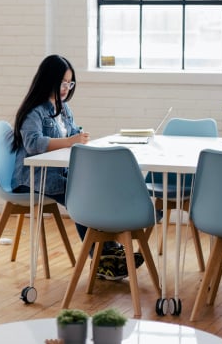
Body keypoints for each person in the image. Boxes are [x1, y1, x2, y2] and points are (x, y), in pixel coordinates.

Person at [11, 54, 142, 280]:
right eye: (62, 82)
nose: (66, 88)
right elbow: (33, 144)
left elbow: (70, 135)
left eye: (70, 83)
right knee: (82, 195)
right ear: (47, 79)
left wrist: (78, 137)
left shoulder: (64, 109)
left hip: (58, 173)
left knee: (95, 188)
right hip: (32, 179)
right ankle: (102, 258)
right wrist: (71, 141)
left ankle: (109, 253)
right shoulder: (35, 111)